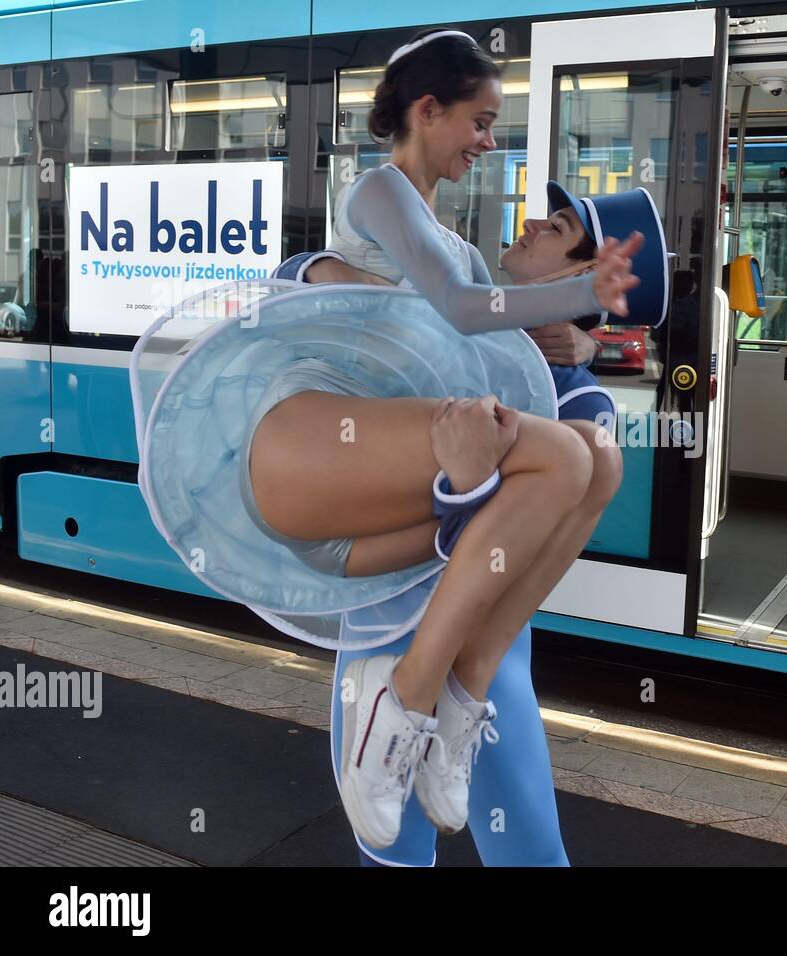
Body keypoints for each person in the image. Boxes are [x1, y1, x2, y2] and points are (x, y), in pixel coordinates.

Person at [130, 28, 655, 853]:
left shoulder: (456, 247)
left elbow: (469, 323)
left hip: (382, 537)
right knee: (565, 454)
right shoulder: (383, 189)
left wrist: (579, 327)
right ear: (427, 109)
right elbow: (454, 310)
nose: (489, 144)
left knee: (594, 459)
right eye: (480, 123)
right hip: (315, 460)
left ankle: (448, 697)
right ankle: (414, 700)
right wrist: (573, 298)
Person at [281, 178, 670, 866]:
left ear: (585, 275)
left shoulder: (581, 400)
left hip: (472, 671)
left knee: (526, 854)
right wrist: (327, 272)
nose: (528, 227)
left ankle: (442, 699)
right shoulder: (448, 314)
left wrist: (573, 346)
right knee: (389, 854)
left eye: (553, 229)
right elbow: (281, 285)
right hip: (374, 641)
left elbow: (524, 530)